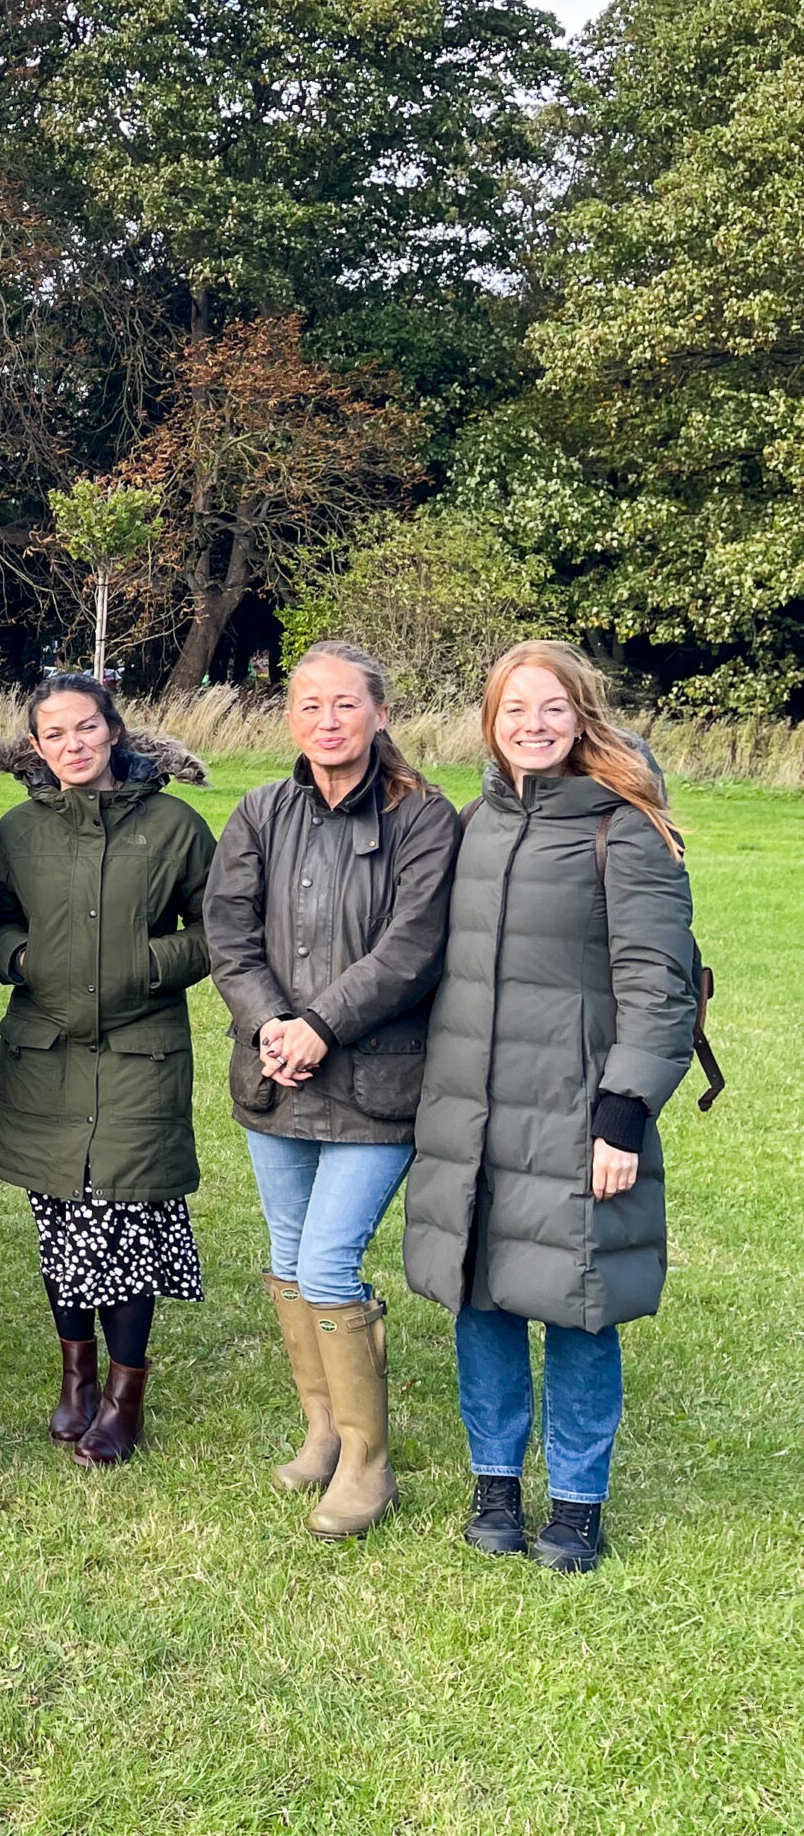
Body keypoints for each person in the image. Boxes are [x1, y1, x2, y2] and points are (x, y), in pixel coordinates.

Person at [403, 640, 698, 1573]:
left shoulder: (625, 828)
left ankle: (577, 1502)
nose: (532, 725)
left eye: (551, 708)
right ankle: (496, 1484)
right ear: (491, 721)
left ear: (582, 717)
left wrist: (623, 1114)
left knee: (578, 1304)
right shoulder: (474, 823)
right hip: (471, 1111)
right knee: (481, 1299)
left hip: (575, 1113)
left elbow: (661, 986)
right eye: (513, 709)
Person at [204, 641, 456, 1538]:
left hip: (375, 1087)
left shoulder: (425, 819)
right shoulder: (262, 811)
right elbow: (227, 933)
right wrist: (272, 1021)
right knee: (286, 1256)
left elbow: (415, 948)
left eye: (345, 705)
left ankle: (368, 1463)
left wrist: (322, 1026)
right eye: (309, 705)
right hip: (273, 1078)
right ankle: (321, 1432)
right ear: (289, 718)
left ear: (380, 713)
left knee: (326, 1263)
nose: (327, 721)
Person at [0, 674, 213, 1467]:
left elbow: (220, 925)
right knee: (62, 1221)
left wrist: (149, 963)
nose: (74, 744)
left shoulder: (174, 825)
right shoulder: (17, 831)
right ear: (37, 747)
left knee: (126, 1222)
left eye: (87, 728)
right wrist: (19, 956)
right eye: (56, 733)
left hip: (140, 1054)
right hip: (46, 1053)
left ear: (114, 731)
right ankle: (75, 1379)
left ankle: (123, 1398)